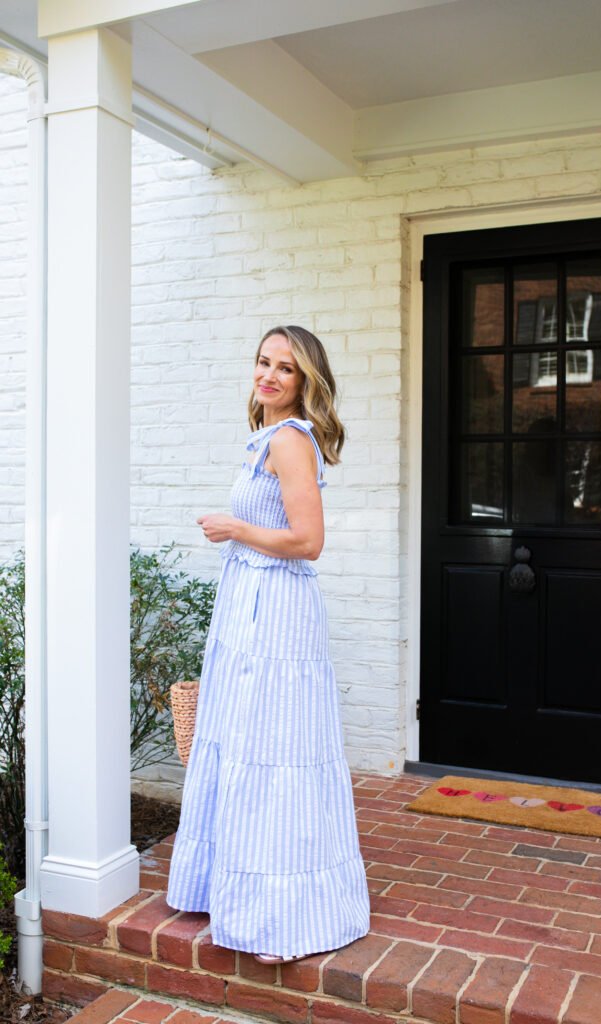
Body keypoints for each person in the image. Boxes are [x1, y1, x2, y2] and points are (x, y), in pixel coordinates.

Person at [166, 325, 371, 965]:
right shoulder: (264, 440)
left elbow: (309, 542)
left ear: (305, 382)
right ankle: (234, 887)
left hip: (276, 611)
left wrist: (234, 527)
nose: (270, 375)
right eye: (263, 362)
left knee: (274, 747)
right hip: (249, 603)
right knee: (247, 743)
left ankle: (280, 917)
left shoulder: (289, 440)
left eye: (286, 368)